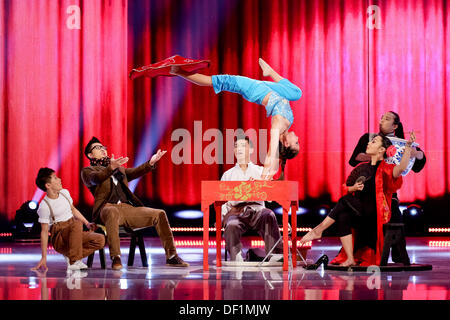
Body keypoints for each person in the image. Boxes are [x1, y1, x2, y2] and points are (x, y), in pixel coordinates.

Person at [131, 55, 302, 180]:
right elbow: (277, 156)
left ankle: (178, 71)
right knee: (297, 93)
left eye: (296, 142)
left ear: (286, 143)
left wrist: (267, 173)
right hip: (269, 89)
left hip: (256, 90)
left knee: (223, 81)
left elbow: (272, 152)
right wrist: (274, 170)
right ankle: (269, 71)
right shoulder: (288, 124)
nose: (298, 138)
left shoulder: (278, 126)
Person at [299, 133, 415, 266]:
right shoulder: (361, 168)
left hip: (375, 214)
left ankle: (319, 230)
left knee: (344, 200)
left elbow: (401, 168)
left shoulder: (386, 168)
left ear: (382, 150)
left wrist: (408, 146)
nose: (369, 143)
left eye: (374, 142)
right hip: (360, 211)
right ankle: (350, 258)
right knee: (343, 216)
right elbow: (345, 187)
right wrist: (352, 188)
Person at [81, 137, 189, 269]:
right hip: (106, 208)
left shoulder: (118, 169)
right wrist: (110, 168)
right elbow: (96, 179)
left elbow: (134, 172)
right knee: (112, 211)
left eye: (103, 147)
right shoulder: (88, 171)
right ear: (90, 154)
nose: (103, 149)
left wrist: (150, 163)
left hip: (127, 209)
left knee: (160, 214)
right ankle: (116, 257)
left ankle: (172, 257)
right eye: (98, 148)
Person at [349, 111, 426, 263]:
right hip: (367, 189)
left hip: (387, 190)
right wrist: (379, 155)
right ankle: (363, 254)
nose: (382, 120)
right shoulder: (369, 138)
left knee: (395, 214)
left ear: (395, 126)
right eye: (382, 117)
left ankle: (399, 256)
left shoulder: (401, 143)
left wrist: (415, 154)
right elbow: (355, 158)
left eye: (387, 119)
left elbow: (419, 161)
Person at [221, 135, 283, 261]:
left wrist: (264, 184)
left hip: (258, 210)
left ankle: (275, 254)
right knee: (232, 224)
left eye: (243, 146)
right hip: (237, 211)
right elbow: (223, 202)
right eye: (236, 146)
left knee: (269, 215)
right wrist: (224, 219)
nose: (239, 149)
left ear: (251, 150)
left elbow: (271, 196)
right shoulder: (228, 175)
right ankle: (236, 256)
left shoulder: (261, 171)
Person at [32, 167, 105, 271]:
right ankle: (74, 261)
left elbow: (73, 210)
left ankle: (72, 256)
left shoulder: (64, 193)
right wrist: (44, 257)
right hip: (59, 236)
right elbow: (44, 232)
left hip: (74, 230)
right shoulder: (44, 206)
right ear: (48, 185)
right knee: (76, 224)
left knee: (100, 240)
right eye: (55, 178)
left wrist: (87, 223)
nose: (59, 179)